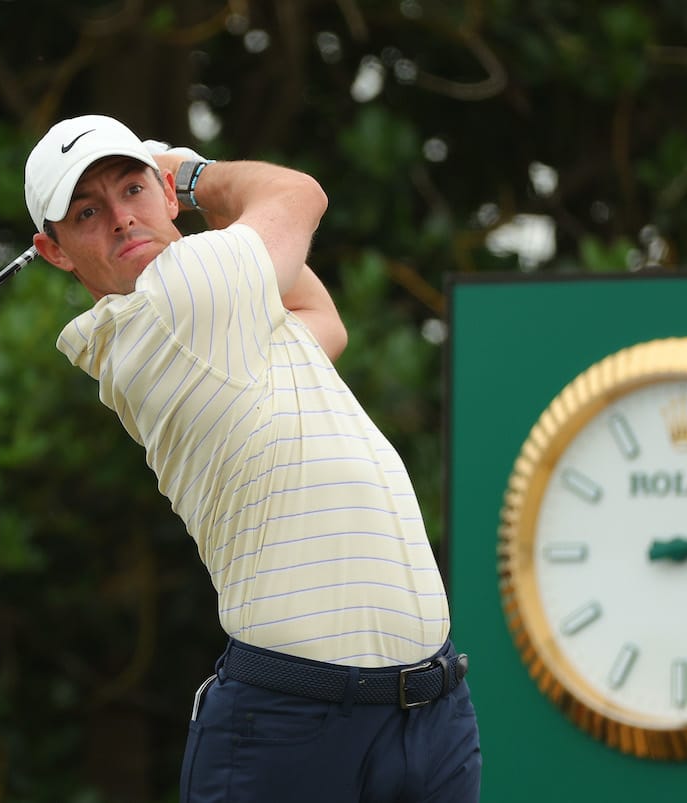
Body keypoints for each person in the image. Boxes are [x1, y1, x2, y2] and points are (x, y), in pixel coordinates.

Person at [24, 114, 481, 803]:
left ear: (161, 200)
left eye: (132, 189)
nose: (121, 219)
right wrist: (192, 173)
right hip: (295, 729)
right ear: (54, 251)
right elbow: (298, 195)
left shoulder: (226, 321)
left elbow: (322, 319)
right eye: (87, 212)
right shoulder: (178, 301)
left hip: (428, 710)